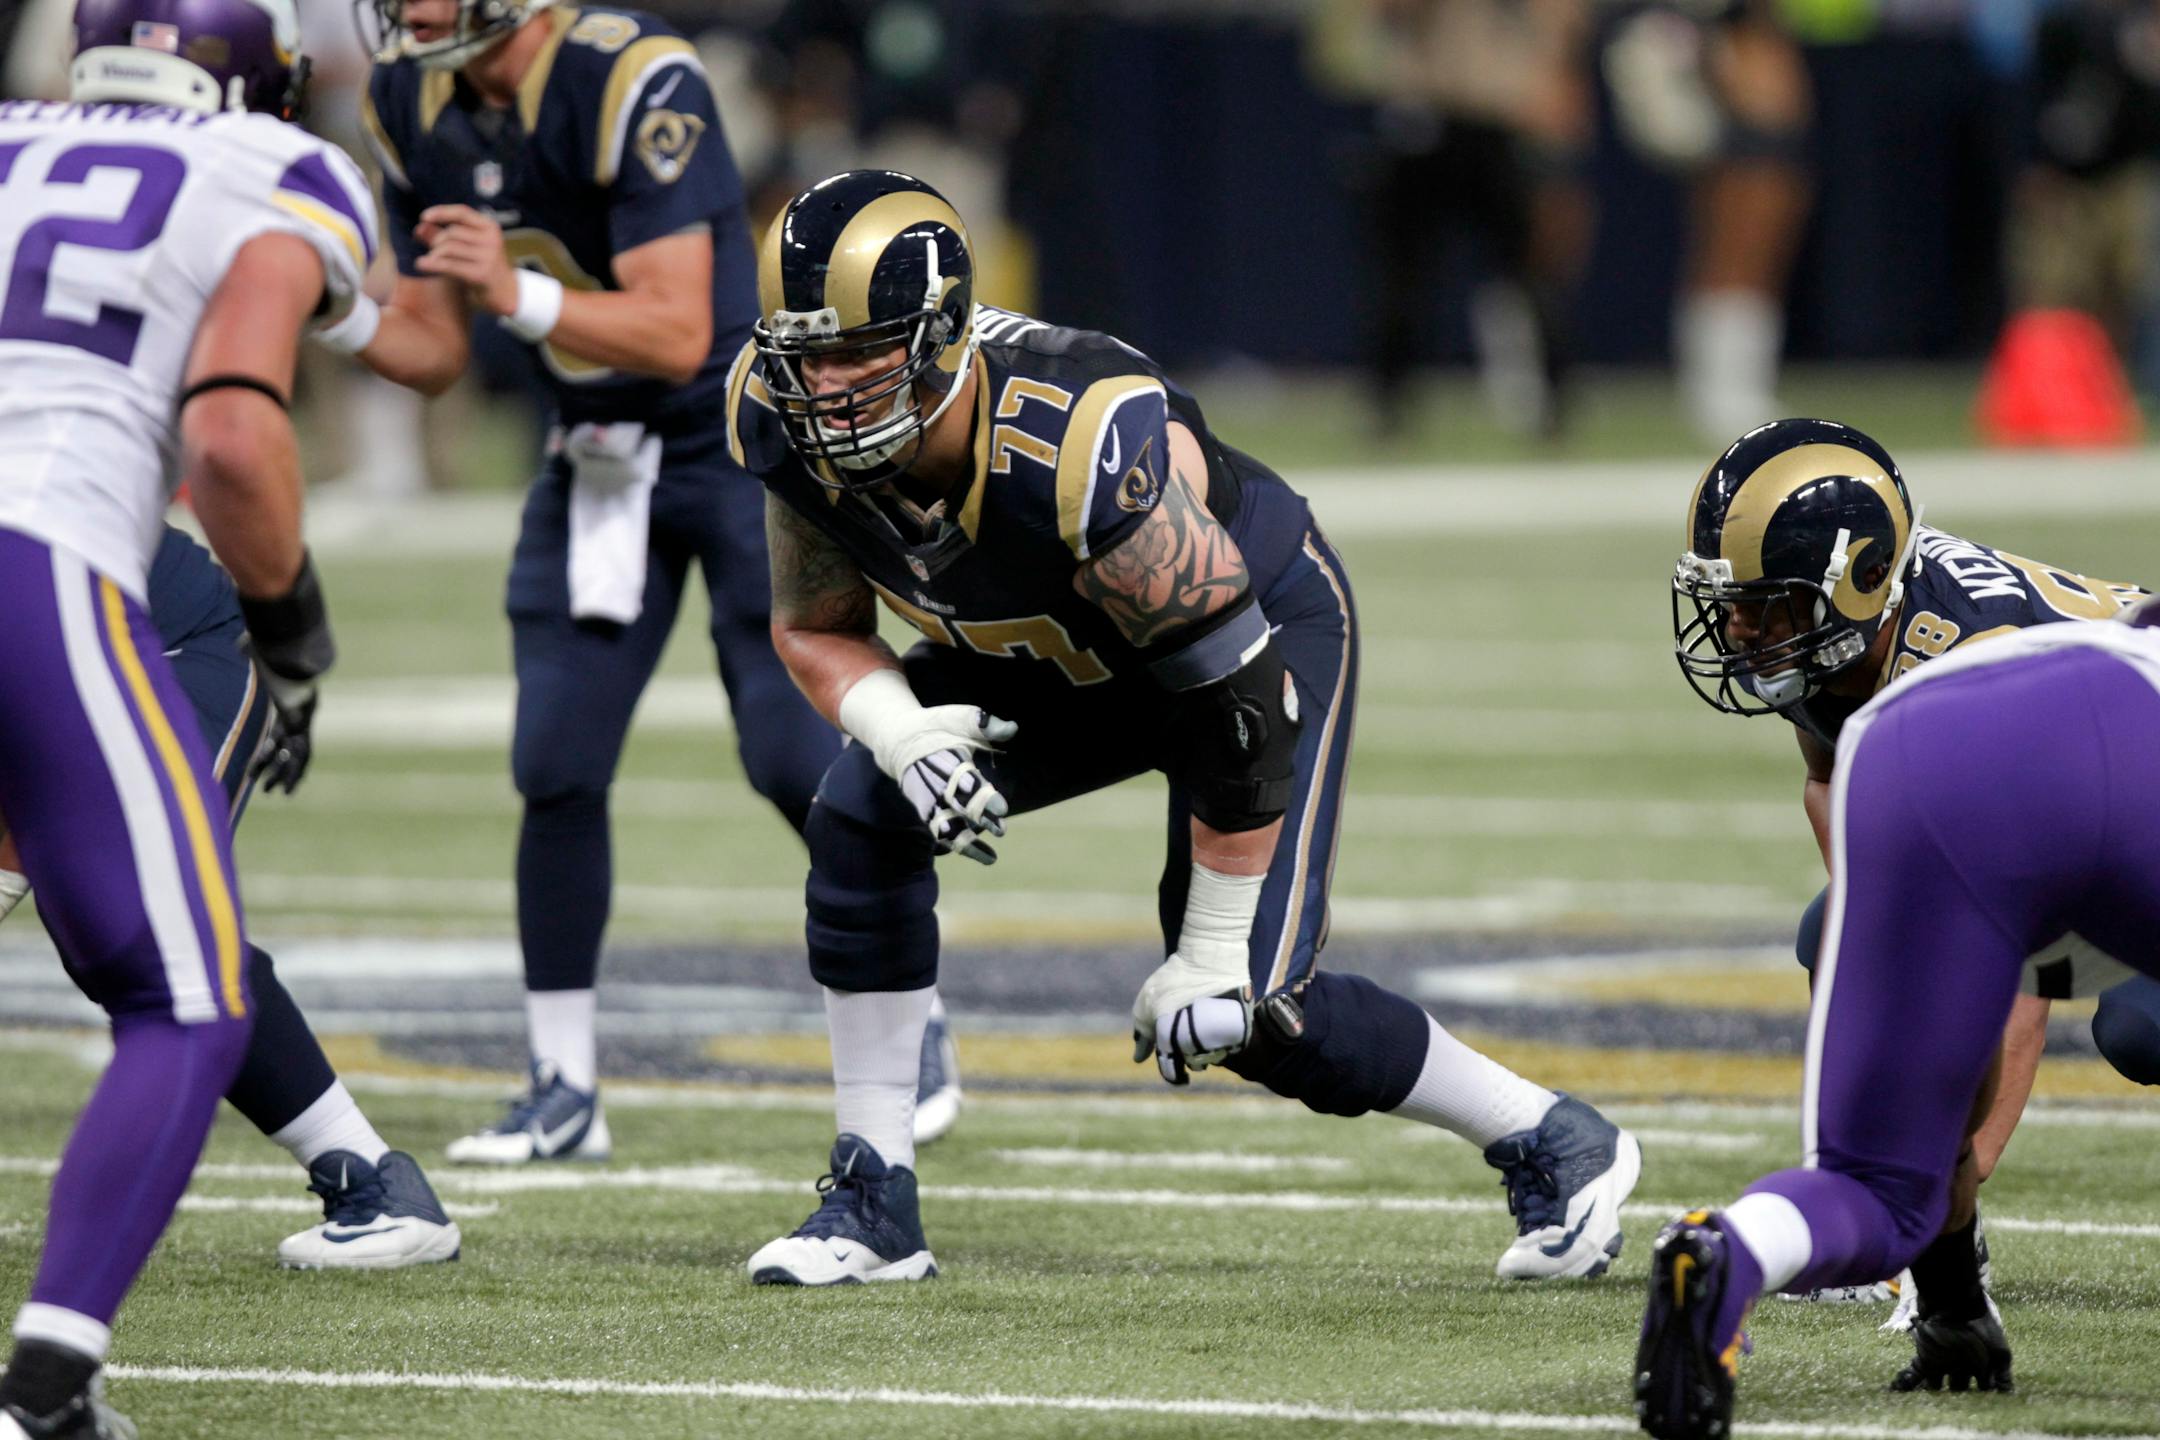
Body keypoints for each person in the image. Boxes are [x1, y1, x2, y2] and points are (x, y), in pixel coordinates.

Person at [726, 169, 1641, 1288]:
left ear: (944, 334)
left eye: (860, 353)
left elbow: (1235, 701)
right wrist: (896, 729)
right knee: (860, 816)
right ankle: (875, 1204)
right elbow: (815, 626)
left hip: (1251, 643)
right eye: (805, 354)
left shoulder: (1077, 441)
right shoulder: (779, 419)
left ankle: (1550, 1135)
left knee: (1248, 1013)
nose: (825, 388)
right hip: (1052, 650)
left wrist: (1209, 951)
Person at [330, 0, 959, 1158]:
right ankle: (562, 1084)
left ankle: (911, 1010)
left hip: (732, 441)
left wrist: (516, 294)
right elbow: (431, 347)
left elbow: (674, 332)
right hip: (594, 451)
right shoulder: (406, 97)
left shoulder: (632, 77)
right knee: (556, 761)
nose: (411, 9)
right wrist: (333, 307)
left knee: (790, 755)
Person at [0, 0, 360, 1427]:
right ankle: (45, 1395)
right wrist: (296, 639)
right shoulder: (271, 168)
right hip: (46, 565)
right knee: (186, 997)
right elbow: (233, 436)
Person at [1670, 418, 2156, 1361]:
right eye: (1729, 605)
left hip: (2136, 797)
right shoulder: (1844, 637)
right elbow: (1827, 776)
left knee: (2139, 1028)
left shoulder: (1957, 668)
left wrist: (1936, 1198)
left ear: (1860, 582)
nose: (1737, 631)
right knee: (1841, 933)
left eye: (1764, 608)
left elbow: (2011, 983)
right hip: (2085, 796)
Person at [1635, 606, 2160, 1438]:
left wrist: (1954, 1302)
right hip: (2116, 753)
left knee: (1875, 1183)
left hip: (1907, 739)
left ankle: (1732, 1250)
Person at [0, 526, 460, 1271]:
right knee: (115, 920)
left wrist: (289, 656)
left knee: (137, 922)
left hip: (166, 647)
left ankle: (375, 1183)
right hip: (58, 662)